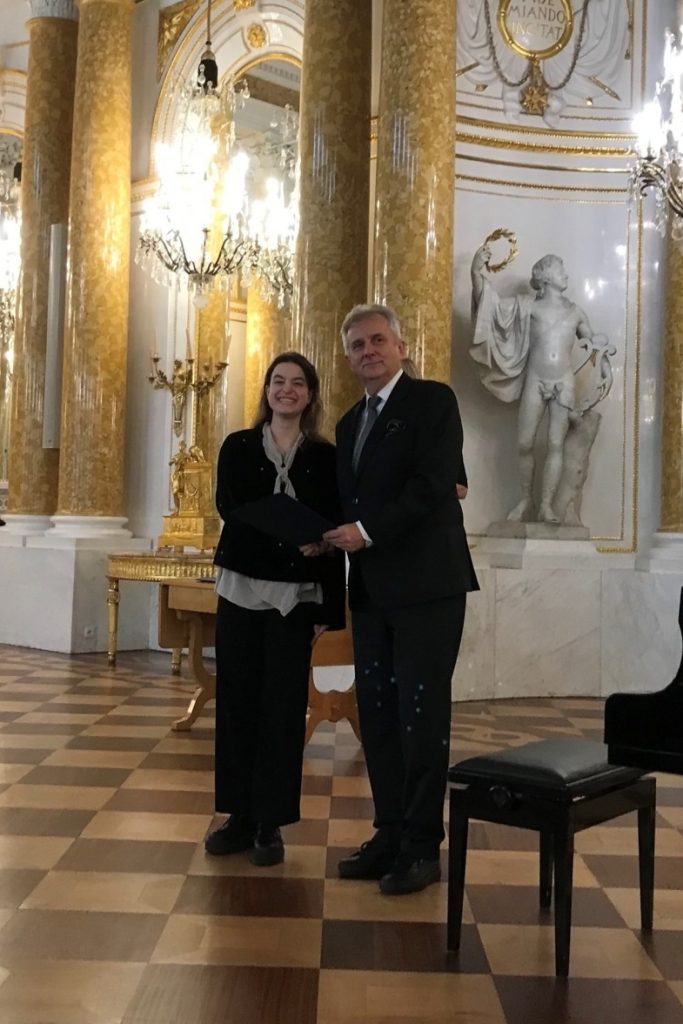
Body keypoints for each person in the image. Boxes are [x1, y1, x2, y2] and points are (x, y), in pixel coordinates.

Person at [324, 304, 478, 895]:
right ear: (348, 358)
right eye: (357, 345)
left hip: (428, 588)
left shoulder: (432, 402)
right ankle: (388, 834)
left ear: (401, 347)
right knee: (379, 716)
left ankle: (421, 846)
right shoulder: (347, 424)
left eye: (378, 340)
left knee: (420, 716)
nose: (369, 351)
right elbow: (346, 501)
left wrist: (365, 532)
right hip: (370, 592)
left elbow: (434, 483)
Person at [205, 352, 345, 866]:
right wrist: (296, 539)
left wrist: (330, 602)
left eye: (298, 383)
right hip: (241, 590)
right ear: (266, 391)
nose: (287, 389)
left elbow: (333, 525)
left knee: (283, 709)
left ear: (310, 394)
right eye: (278, 381)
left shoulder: (326, 457)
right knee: (237, 702)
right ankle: (238, 815)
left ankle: (270, 822)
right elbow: (232, 509)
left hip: (297, 598)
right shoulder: (238, 447)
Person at [470, 248, 600, 524]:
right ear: (546, 277)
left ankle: (546, 505)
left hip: (563, 382)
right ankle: (526, 499)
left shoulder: (575, 311)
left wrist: (601, 350)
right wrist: (476, 272)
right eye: (561, 270)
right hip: (536, 379)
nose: (566, 275)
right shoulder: (528, 306)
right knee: (525, 442)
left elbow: (592, 342)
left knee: (555, 443)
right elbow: (491, 307)